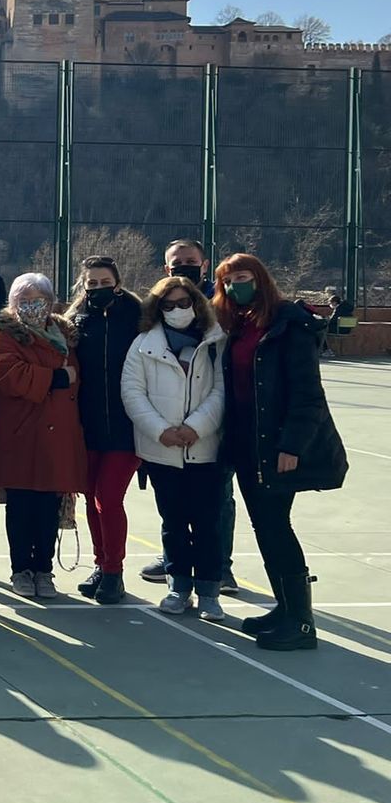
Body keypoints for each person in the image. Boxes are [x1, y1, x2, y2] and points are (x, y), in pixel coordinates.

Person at [214, 254, 349, 651]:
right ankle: (285, 607)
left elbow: (307, 395)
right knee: (265, 528)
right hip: (246, 446)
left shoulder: (289, 323)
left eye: (243, 277)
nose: (236, 286)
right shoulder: (238, 325)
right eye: (228, 281)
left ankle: (302, 624)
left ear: (260, 279)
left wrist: (292, 445)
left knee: (276, 527)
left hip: (276, 447)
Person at [121, 276, 228, 621]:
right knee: (174, 522)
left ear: (197, 304)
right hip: (162, 451)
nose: (178, 310)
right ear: (157, 309)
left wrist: (195, 427)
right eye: (169, 305)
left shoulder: (215, 342)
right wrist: (161, 431)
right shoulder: (141, 345)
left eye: (184, 303)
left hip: (206, 449)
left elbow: (222, 393)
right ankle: (178, 587)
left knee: (209, 523)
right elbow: (132, 393)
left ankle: (210, 592)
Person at [140, 238, 238, 596]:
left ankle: (220, 568)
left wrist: (199, 424)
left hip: (212, 429)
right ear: (166, 269)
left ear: (204, 263)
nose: (184, 267)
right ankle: (174, 563)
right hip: (167, 432)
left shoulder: (222, 307)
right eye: (176, 262)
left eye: (190, 261)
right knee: (174, 506)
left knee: (217, 503)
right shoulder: (156, 312)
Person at [0, 272, 87, 599]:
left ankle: (44, 569)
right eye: (24, 301)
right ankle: (21, 569)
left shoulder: (65, 335)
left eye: (38, 300)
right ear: (14, 304)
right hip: (19, 435)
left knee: (48, 509)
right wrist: (56, 377)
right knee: (20, 508)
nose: (31, 306)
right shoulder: (7, 335)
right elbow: (4, 374)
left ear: (50, 302)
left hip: (57, 436)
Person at [66, 255, 143, 606]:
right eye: (91, 283)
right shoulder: (75, 321)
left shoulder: (138, 316)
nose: (98, 288)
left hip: (127, 427)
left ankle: (114, 571)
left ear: (117, 281)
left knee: (108, 499)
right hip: (87, 426)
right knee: (91, 500)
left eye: (104, 282)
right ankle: (101, 564)